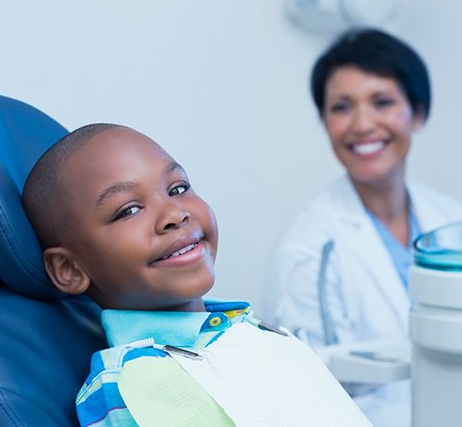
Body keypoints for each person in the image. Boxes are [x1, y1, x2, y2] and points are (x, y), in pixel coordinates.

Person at [22, 123, 372, 427]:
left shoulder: (244, 329)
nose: (174, 213)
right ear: (69, 269)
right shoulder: (135, 380)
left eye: (177, 188)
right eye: (128, 210)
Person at [262, 28, 462, 427]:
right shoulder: (307, 250)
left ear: (418, 112)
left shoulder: (453, 223)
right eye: (342, 107)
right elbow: (306, 399)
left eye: (382, 102)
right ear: (325, 122)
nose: (362, 124)